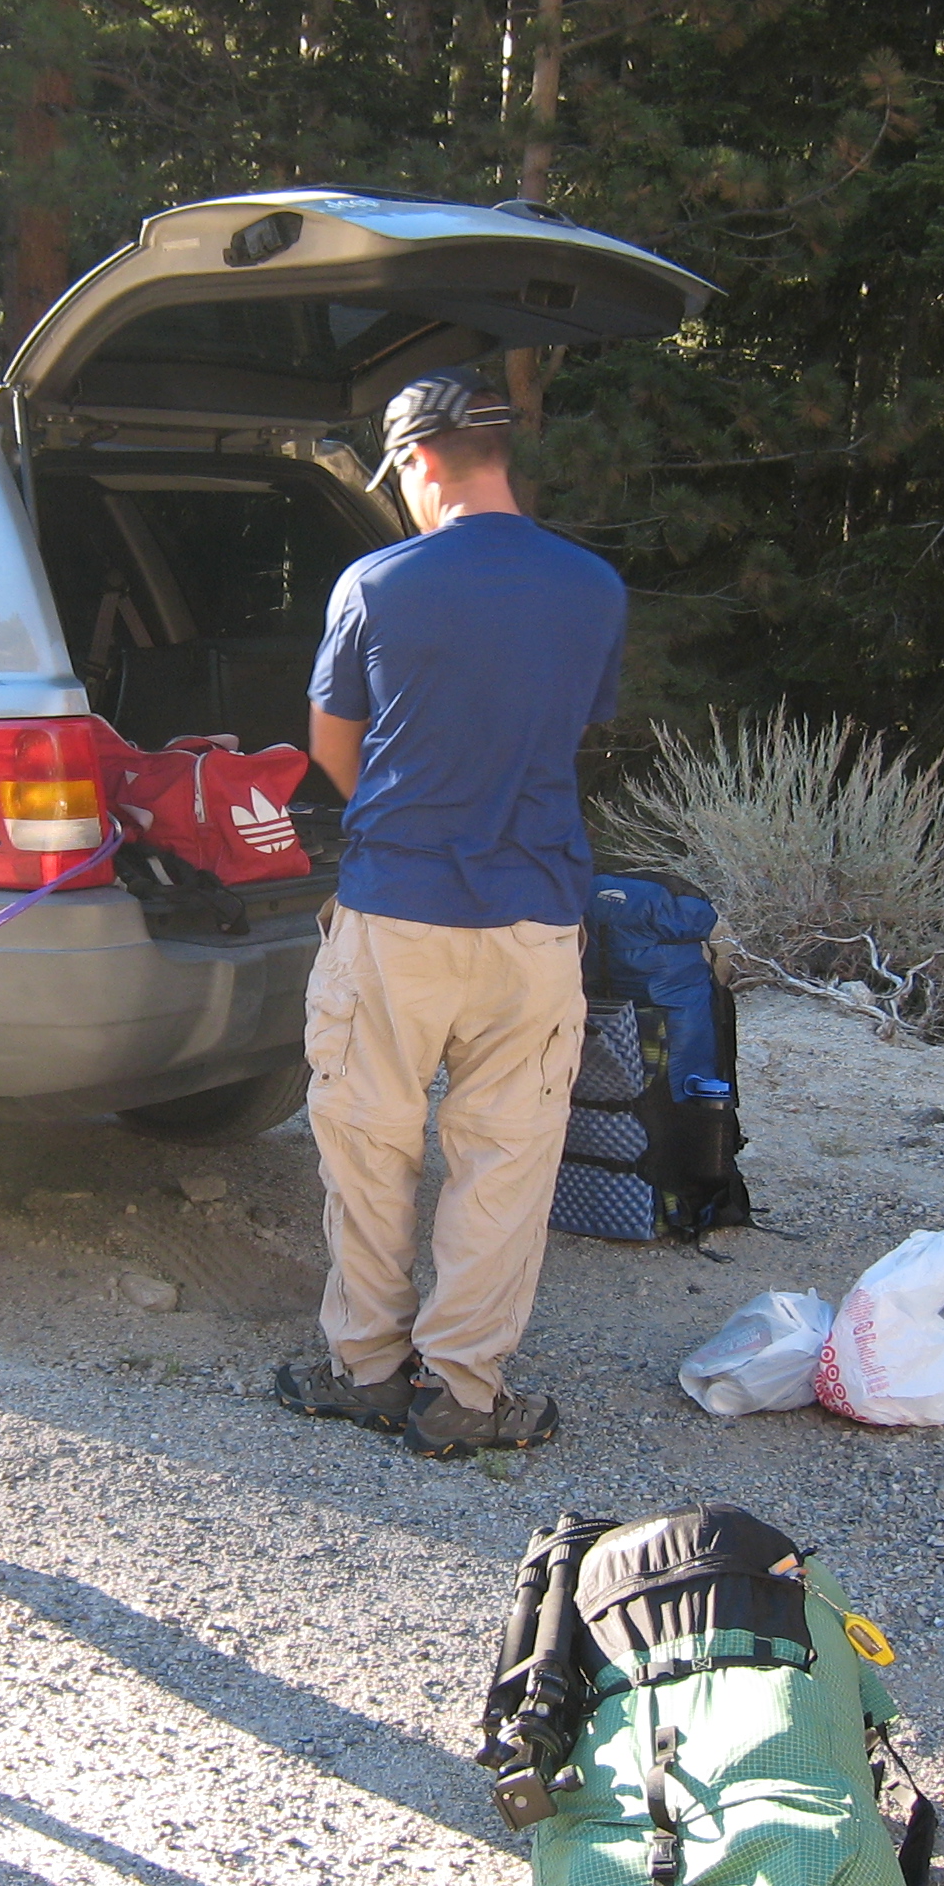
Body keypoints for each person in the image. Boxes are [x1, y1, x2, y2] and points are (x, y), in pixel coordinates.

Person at [273, 369, 624, 1459]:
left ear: (421, 460)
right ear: (498, 453)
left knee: (368, 1140)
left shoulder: (376, 584)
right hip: (534, 922)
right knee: (506, 1157)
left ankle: (367, 1369)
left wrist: (401, 813)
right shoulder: (593, 587)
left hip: (395, 915)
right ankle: (466, 1394)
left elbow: (333, 746)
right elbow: (564, 728)